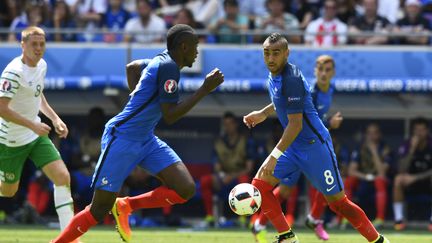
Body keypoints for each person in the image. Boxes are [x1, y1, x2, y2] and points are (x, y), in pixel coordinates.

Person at [51, 24, 224, 243]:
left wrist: (136, 96)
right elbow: (170, 116)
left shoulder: (159, 60)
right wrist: (204, 89)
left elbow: (132, 67)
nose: (197, 51)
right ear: (183, 46)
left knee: (185, 188)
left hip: (146, 138)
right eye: (195, 46)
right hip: (122, 138)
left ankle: (126, 205)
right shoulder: (169, 66)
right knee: (99, 209)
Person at [243, 33, 389, 243]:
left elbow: (295, 124)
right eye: (266, 53)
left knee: (338, 203)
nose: (271, 58)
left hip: (315, 148)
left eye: (276, 53)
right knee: (259, 186)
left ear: (287, 53)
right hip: (293, 147)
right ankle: (287, 237)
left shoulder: (291, 78)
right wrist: (264, 113)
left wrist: (273, 156)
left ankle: (378, 241)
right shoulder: (274, 74)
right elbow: (283, 101)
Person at [250, 55, 343, 242]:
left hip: (312, 147)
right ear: (315, 71)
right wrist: (330, 123)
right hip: (296, 147)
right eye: (320, 69)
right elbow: (299, 116)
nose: (323, 73)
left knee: (327, 185)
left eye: (327, 69)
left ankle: (314, 219)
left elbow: (313, 119)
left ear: (333, 72)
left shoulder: (330, 90)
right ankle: (260, 223)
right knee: (284, 191)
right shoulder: (313, 92)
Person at [0, 26, 77, 241]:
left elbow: (38, 95)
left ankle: (69, 237)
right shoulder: (13, 72)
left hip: (34, 136)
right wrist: (32, 125)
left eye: (42, 44)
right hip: (11, 140)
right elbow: (2, 109)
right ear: (22, 45)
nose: (39, 48)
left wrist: (54, 118)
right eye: (34, 44)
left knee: (62, 177)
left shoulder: (42, 65)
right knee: (8, 192)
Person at [200, 111, 255, 226]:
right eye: (225, 124)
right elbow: (216, 165)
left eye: (230, 124)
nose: (228, 127)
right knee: (205, 181)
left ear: (235, 124)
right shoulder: (219, 141)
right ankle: (210, 217)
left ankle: (243, 217)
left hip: (238, 177)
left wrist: (232, 176)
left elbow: (249, 167)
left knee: (245, 180)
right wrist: (222, 175)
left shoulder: (246, 140)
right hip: (223, 177)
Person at [346, 123, 391, 229]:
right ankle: (347, 218)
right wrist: (366, 177)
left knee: (379, 180)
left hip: (380, 183)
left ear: (379, 134)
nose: (371, 136)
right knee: (349, 181)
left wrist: (374, 152)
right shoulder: (359, 148)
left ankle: (380, 219)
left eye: (374, 133)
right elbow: (351, 171)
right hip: (363, 181)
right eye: (369, 133)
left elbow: (382, 173)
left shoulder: (385, 149)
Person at [393, 117, 432, 231]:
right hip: (409, 183)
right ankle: (399, 220)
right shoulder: (407, 145)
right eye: (416, 130)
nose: (419, 133)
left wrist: (416, 177)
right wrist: (411, 149)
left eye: (422, 130)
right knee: (398, 179)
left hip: (427, 181)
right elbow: (401, 168)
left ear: (427, 131)